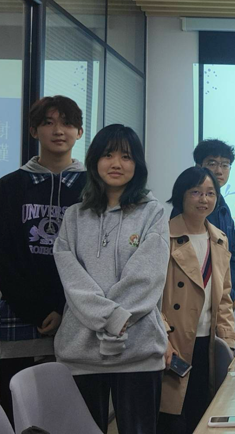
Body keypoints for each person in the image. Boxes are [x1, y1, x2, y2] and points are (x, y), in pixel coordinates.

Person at [53, 124, 169, 434]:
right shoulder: (74, 216)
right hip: (80, 351)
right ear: (94, 161)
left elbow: (147, 277)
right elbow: (72, 279)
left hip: (139, 351)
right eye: (108, 155)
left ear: (137, 164)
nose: (116, 163)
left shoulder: (153, 213)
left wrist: (117, 319)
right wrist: (111, 317)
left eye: (126, 157)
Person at [0, 96, 86, 420]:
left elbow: (93, 259)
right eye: (48, 123)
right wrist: (37, 310)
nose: (58, 131)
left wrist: (62, 308)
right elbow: (3, 256)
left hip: (77, 317)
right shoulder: (9, 186)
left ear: (79, 132)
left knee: (72, 415)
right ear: (34, 130)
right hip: (20, 317)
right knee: (22, 413)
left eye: (67, 123)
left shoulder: (93, 188)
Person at [157, 167, 235, 434]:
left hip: (208, 342)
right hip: (173, 344)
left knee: (202, 415)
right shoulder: (163, 236)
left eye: (210, 193)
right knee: (172, 419)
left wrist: (228, 341)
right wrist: (162, 337)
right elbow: (151, 297)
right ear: (181, 195)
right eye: (196, 192)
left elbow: (224, 298)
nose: (204, 199)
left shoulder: (219, 239)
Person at [192, 140, 235, 309]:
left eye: (225, 165)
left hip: (223, 296)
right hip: (198, 299)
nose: (219, 170)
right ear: (199, 166)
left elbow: (234, 251)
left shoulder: (222, 205)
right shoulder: (191, 205)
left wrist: (232, 292)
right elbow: (193, 258)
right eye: (212, 163)